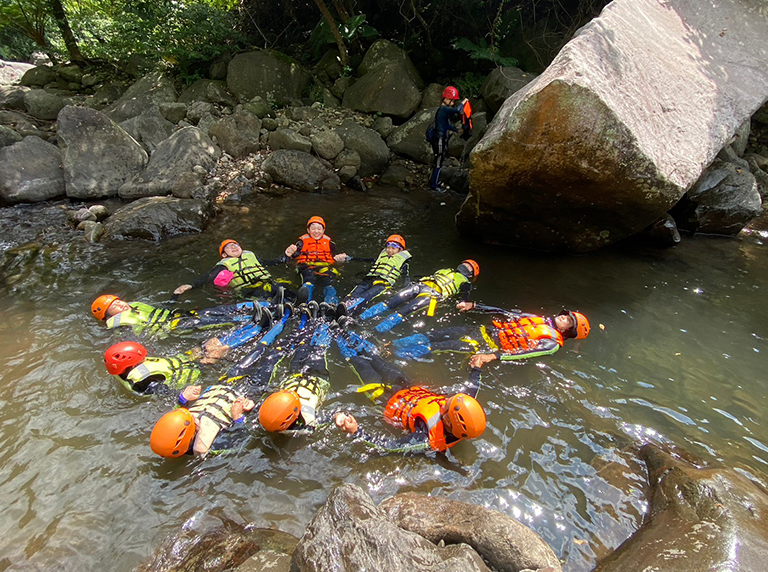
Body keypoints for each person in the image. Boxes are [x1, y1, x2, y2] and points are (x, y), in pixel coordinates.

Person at [333, 337, 486, 453]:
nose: (445, 400)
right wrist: (476, 368)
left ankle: (337, 339)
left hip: (385, 400)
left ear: (448, 420)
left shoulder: (425, 439)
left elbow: (388, 448)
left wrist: (356, 432)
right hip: (406, 387)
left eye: (446, 405)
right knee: (376, 358)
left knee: (359, 363)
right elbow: (472, 387)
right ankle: (347, 333)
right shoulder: (462, 406)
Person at [391, 305, 591, 364]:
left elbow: (524, 354)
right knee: (433, 335)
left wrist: (491, 356)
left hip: (484, 347)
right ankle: (392, 344)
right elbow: (505, 312)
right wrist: (475, 306)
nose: (564, 318)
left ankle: (393, 356)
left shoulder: (552, 343)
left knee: (435, 348)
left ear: (569, 332)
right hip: (480, 331)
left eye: (569, 322)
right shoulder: (537, 318)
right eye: (566, 316)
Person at [359, 259, 479, 333]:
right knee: (391, 302)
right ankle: (361, 318)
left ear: (470, 274)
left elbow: (465, 293)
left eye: (469, 267)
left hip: (432, 295)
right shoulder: (447, 270)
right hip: (419, 285)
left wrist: (463, 301)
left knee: (404, 311)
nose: (465, 266)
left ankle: (375, 331)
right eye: (465, 264)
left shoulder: (465, 282)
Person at [91, 293, 266, 337]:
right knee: (213, 322)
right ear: (107, 316)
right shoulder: (120, 325)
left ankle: (257, 306)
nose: (120, 304)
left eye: (118, 301)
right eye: (114, 306)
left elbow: (162, 309)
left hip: (178, 315)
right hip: (175, 326)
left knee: (215, 310)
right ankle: (252, 319)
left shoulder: (135, 306)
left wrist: (175, 296)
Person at [149, 384, 255, 457]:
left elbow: (178, 416)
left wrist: (183, 400)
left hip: (220, 387)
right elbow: (243, 440)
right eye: (192, 420)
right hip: (249, 393)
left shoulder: (180, 428)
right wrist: (238, 416)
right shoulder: (213, 445)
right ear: (189, 436)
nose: (194, 417)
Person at [174, 239, 292, 300]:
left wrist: (285, 257)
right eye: (229, 247)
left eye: (235, 245)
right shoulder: (224, 265)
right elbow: (209, 276)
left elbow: (270, 263)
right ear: (224, 255)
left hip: (268, 283)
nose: (234, 247)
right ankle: (276, 307)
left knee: (281, 288)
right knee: (264, 294)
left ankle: (298, 301)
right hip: (248, 289)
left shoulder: (250, 255)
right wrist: (191, 285)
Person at [284, 216, 348, 305]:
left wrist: (340, 260)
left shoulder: (330, 244)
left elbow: (334, 258)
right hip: (307, 266)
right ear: (308, 230)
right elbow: (291, 260)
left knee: (329, 281)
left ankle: (331, 303)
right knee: (309, 279)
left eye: (319, 229)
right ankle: (305, 303)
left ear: (323, 230)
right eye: (313, 228)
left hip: (325, 267)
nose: (316, 231)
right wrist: (288, 254)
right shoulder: (301, 244)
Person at [343, 234, 411, 314]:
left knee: (366, 296)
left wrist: (406, 287)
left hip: (383, 284)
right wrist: (351, 258)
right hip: (369, 279)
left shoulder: (403, 264)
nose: (390, 250)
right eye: (388, 247)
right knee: (354, 293)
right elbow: (366, 260)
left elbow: (405, 276)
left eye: (393, 248)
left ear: (400, 250)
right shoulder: (382, 258)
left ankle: (351, 313)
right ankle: (341, 306)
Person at [103, 341, 201, 395]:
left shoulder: (121, 371)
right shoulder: (145, 383)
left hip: (183, 361)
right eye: (142, 359)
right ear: (133, 366)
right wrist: (185, 396)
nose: (145, 359)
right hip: (197, 371)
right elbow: (167, 393)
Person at [428, 86, 469, 193]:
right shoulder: (443, 109)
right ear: (445, 99)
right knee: (438, 162)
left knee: (439, 161)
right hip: (439, 139)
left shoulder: (443, 111)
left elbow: (445, 125)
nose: (452, 103)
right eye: (451, 100)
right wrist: (463, 102)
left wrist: (456, 130)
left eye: (453, 101)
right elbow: (457, 110)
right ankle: (434, 185)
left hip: (441, 139)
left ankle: (433, 181)